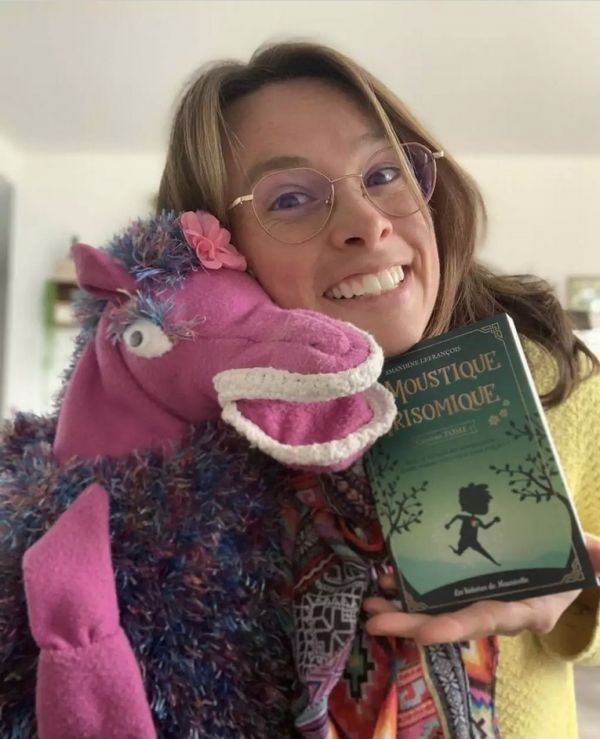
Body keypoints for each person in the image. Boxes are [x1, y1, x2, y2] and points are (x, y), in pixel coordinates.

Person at [156, 41, 600, 738]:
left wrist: (581, 592)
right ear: (218, 252)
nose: (368, 222)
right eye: (291, 198)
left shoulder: (555, 379)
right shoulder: (188, 438)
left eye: (384, 172)